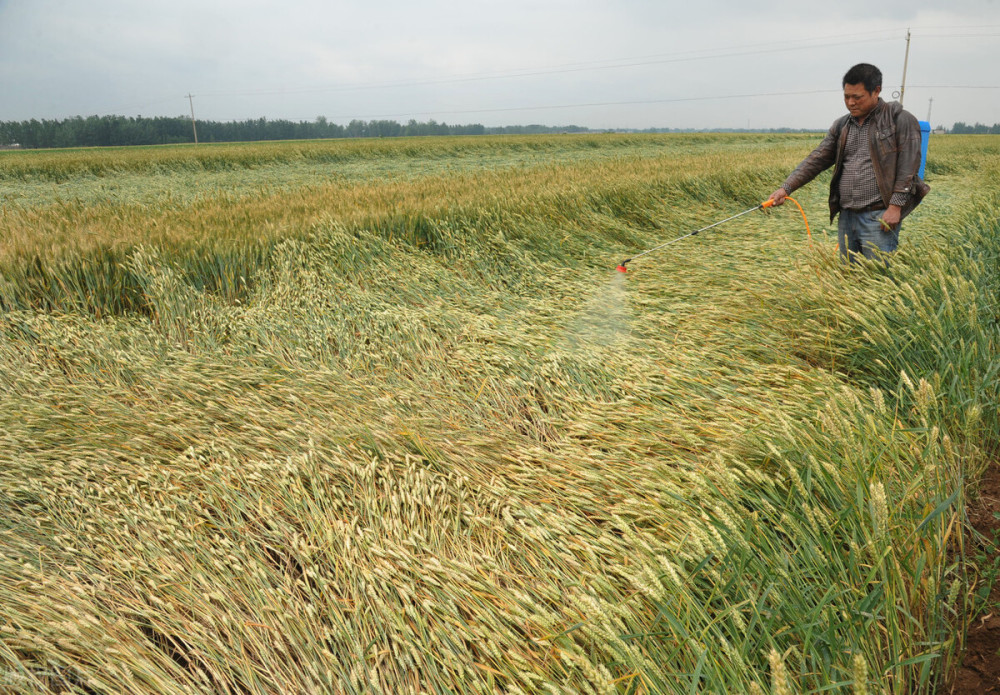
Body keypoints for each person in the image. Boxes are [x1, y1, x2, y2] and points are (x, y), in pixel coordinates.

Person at [768, 63, 929, 264]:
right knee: (849, 277)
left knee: (878, 278)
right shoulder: (842, 125)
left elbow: (909, 164)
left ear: (876, 91)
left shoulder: (899, 120)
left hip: (879, 216)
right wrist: (786, 187)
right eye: (846, 97)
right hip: (847, 216)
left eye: (857, 97)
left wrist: (895, 206)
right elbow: (817, 159)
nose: (851, 102)